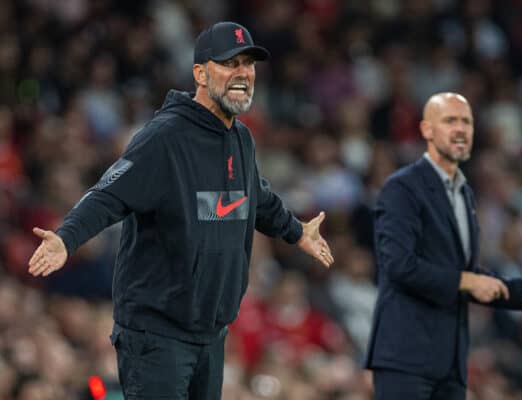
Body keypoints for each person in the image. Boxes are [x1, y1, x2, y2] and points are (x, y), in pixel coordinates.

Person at [27, 21, 334, 400]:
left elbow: (258, 199)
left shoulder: (241, 137)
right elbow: (109, 194)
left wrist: (296, 232)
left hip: (210, 334)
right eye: (230, 64)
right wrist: (66, 238)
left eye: (249, 65)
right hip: (157, 338)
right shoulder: (164, 138)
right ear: (200, 74)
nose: (243, 74)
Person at [364, 92, 522, 400]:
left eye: (467, 122)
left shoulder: (464, 194)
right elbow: (399, 265)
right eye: (450, 121)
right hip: (406, 356)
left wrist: (520, 289)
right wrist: (467, 280)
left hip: (451, 360)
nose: (461, 129)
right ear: (427, 130)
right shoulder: (401, 188)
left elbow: (466, 274)